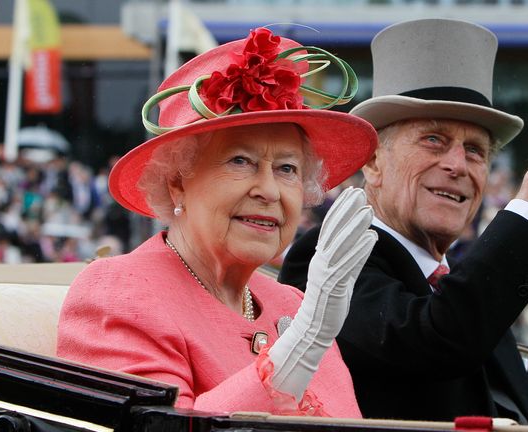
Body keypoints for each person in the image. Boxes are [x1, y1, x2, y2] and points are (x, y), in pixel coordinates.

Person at [279, 18, 528, 424]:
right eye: (434, 139)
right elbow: (436, 341)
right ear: (374, 161)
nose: (456, 165)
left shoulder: (460, 286)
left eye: (475, 151)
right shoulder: (326, 258)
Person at [57, 28, 379, 417]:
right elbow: (159, 428)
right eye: (240, 161)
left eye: (287, 168)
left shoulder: (291, 303)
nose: (270, 191)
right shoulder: (117, 291)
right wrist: (300, 346)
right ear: (177, 182)